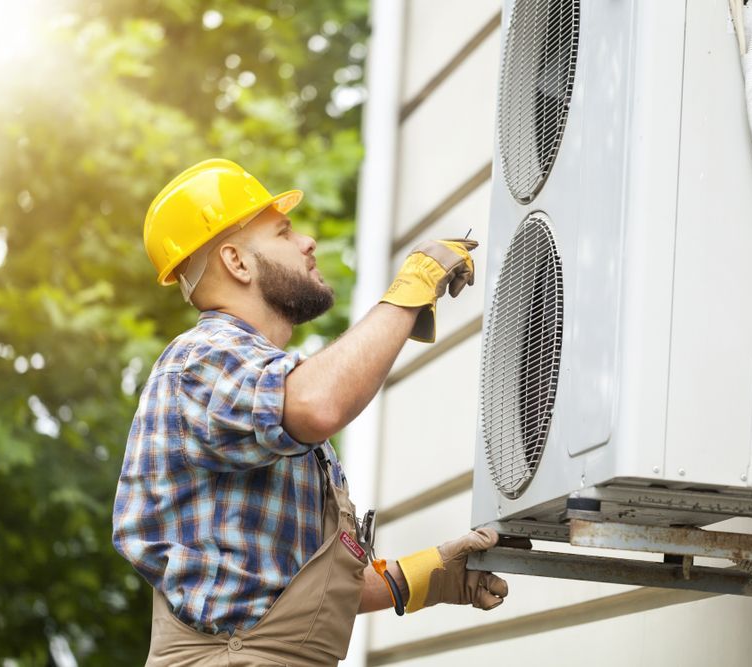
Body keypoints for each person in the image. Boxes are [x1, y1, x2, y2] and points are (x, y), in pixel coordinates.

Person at [112, 159, 509, 666]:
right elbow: (319, 404)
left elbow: (284, 599)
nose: (307, 243)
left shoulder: (256, 390)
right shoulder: (204, 359)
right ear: (237, 263)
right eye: (283, 232)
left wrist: (425, 577)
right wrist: (412, 287)